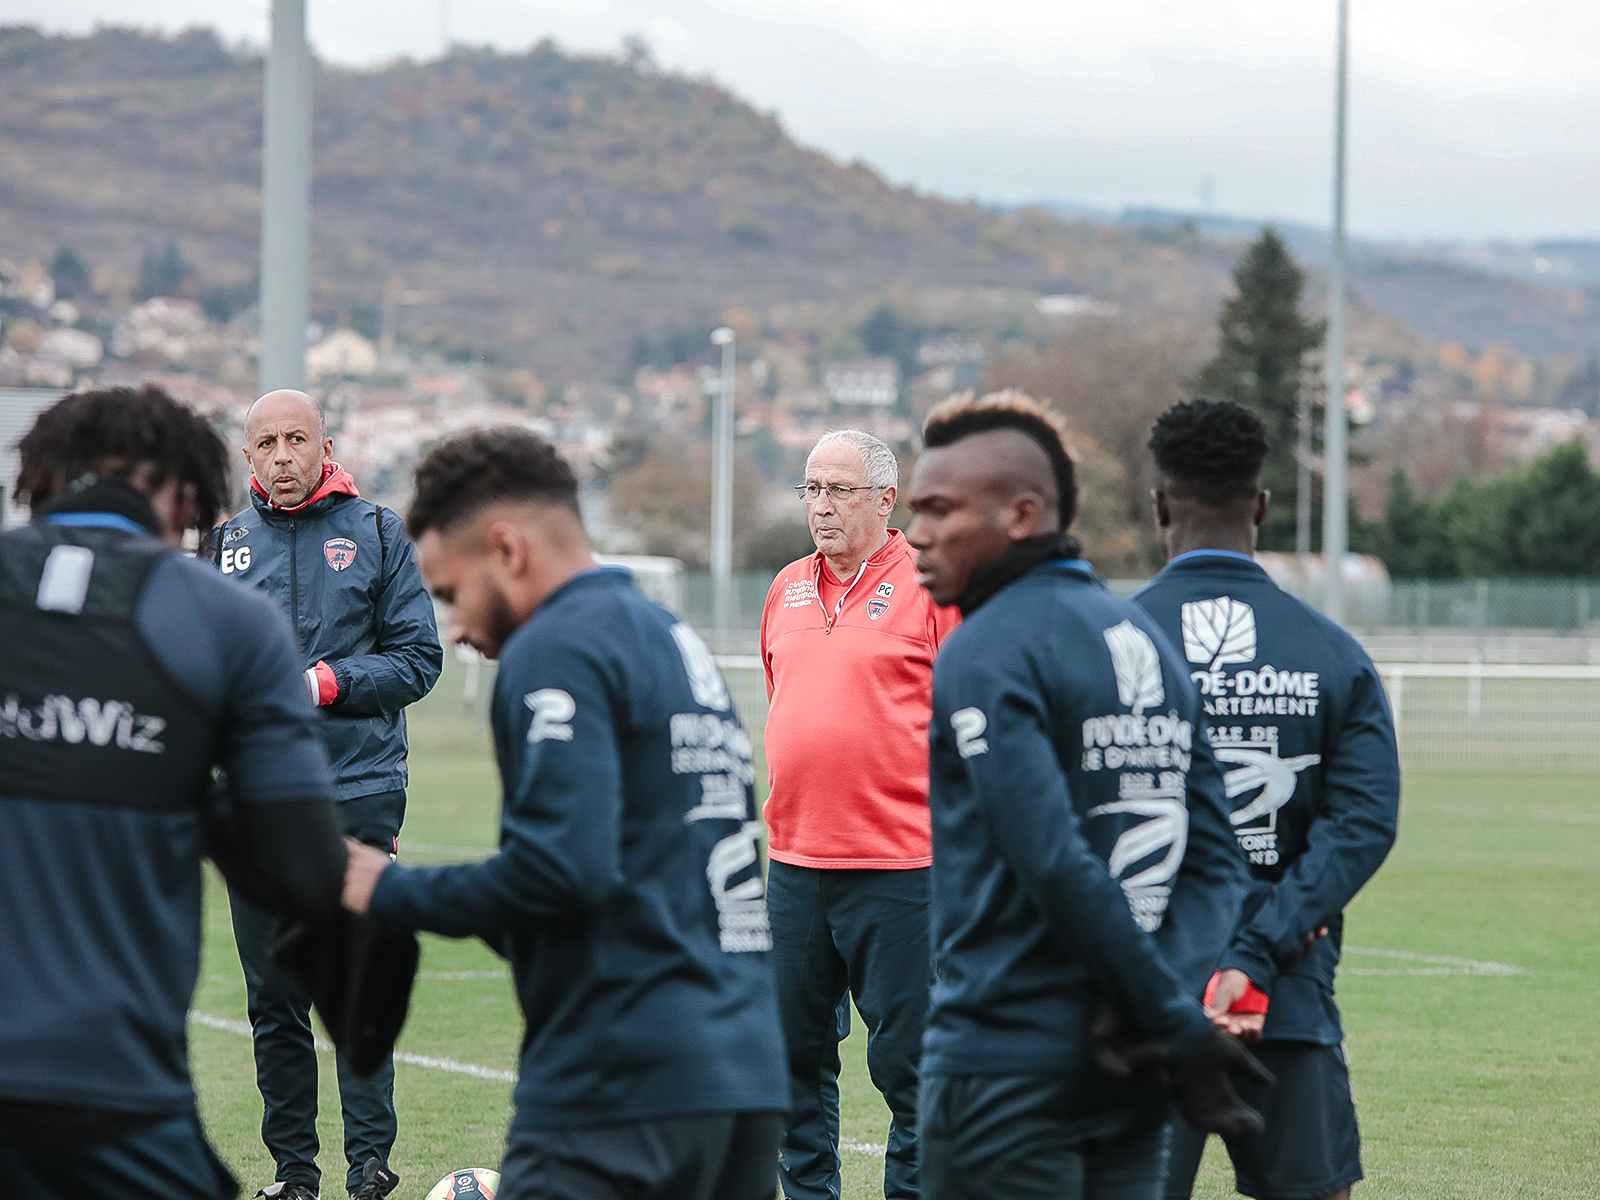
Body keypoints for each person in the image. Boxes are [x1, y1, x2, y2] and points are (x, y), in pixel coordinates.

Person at [340, 427, 787, 1200]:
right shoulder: (670, 639)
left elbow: (560, 874)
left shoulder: (557, 648)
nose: (460, 630)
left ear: (508, 550)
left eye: (451, 594)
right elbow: (630, 884)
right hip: (740, 1076)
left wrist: (386, 890)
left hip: (618, 1082)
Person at [904, 390, 1267, 1200]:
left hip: (1005, 1066)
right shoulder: (1143, 636)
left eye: (937, 510)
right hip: (1130, 1060)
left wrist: (1166, 1015)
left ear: (1022, 515)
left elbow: (1052, 858)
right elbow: (1219, 864)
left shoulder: (985, 648)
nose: (914, 534)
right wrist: (1160, 1002)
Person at [0, 385, 347, 1200]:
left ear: (41, 479)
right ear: (184, 493)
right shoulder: (228, 621)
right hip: (114, 1095)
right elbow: (305, 873)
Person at [1133, 399, 1401, 1200]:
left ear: (1160, 506)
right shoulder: (1333, 655)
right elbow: (1362, 824)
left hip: (1144, 1000)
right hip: (1281, 995)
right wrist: (1255, 954)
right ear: (1261, 507)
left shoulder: (1104, 643)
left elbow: (1067, 828)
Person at [215, 388, 442, 1200]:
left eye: (296, 438)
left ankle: (369, 1169)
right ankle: (293, 1177)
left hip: (358, 789)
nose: (281, 454)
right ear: (247, 458)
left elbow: (419, 660)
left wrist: (326, 681)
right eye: (266, 442)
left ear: (325, 445)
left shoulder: (379, 534)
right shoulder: (225, 546)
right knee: (274, 998)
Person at [759, 428, 959, 1200]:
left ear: (885, 498)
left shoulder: (933, 585)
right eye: (811, 489)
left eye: (839, 490)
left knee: (914, 1071)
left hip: (904, 868)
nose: (821, 506)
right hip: (797, 869)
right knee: (790, 1065)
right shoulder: (786, 588)